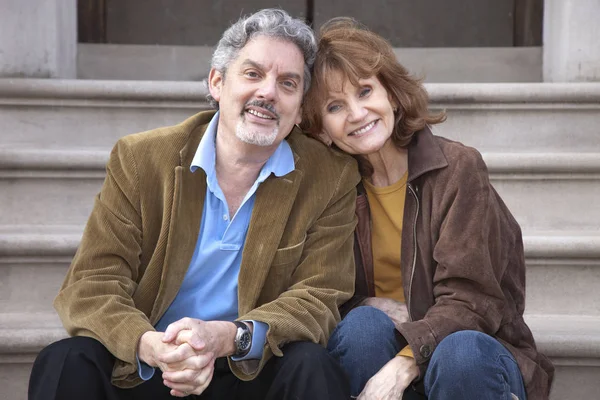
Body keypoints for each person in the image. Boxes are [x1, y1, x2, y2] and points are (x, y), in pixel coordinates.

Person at [28, 9, 360, 400]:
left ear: (301, 107)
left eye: (288, 83)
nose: (268, 92)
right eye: (252, 74)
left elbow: (319, 296)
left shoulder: (330, 176)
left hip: (248, 368)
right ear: (217, 83)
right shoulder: (142, 159)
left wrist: (228, 337)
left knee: (312, 366)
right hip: (151, 367)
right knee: (65, 360)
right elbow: (92, 283)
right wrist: (149, 345)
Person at [301, 18, 554, 400]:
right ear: (321, 129)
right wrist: (363, 303)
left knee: (460, 353)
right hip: (379, 349)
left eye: (365, 91)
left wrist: (403, 364)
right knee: (362, 327)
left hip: (474, 357)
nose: (356, 113)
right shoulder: (335, 189)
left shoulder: (457, 169)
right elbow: (322, 291)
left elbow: (474, 302)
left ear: (392, 94)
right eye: (336, 106)